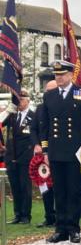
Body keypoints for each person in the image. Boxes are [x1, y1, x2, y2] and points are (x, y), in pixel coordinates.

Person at [40, 60, 81, 243]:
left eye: (61, 75)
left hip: (76, 152)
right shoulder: (49, 96)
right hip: (56, 152)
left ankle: (73, 229)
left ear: (70, 75)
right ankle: (60, 229)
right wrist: (45, 151)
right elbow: (45, 126)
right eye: (56, 75)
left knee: (74, 191)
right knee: (59, 191)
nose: (58, 78)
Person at [4, 89, 34, 224]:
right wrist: (7, 111)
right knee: (15, 187)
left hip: (25, 157)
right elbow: (0, 123)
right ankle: (17, 214)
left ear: (28, 100)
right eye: (17, 99)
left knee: (25, 187)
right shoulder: (11, 116)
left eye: (21, 99)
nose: (19, 102)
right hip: (11, 156)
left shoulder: (33, 116)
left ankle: (25, 215)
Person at [30, 80, 57, 228]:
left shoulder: (61, 107)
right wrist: (36, 144)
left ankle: (60, 217)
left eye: (51, 90)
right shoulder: (40, 109)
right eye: (47, 91)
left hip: (57, 153)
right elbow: (33, 129)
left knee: (58, 187)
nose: (48, 93)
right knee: (44, 186)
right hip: (42, 156)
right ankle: (49, 217)